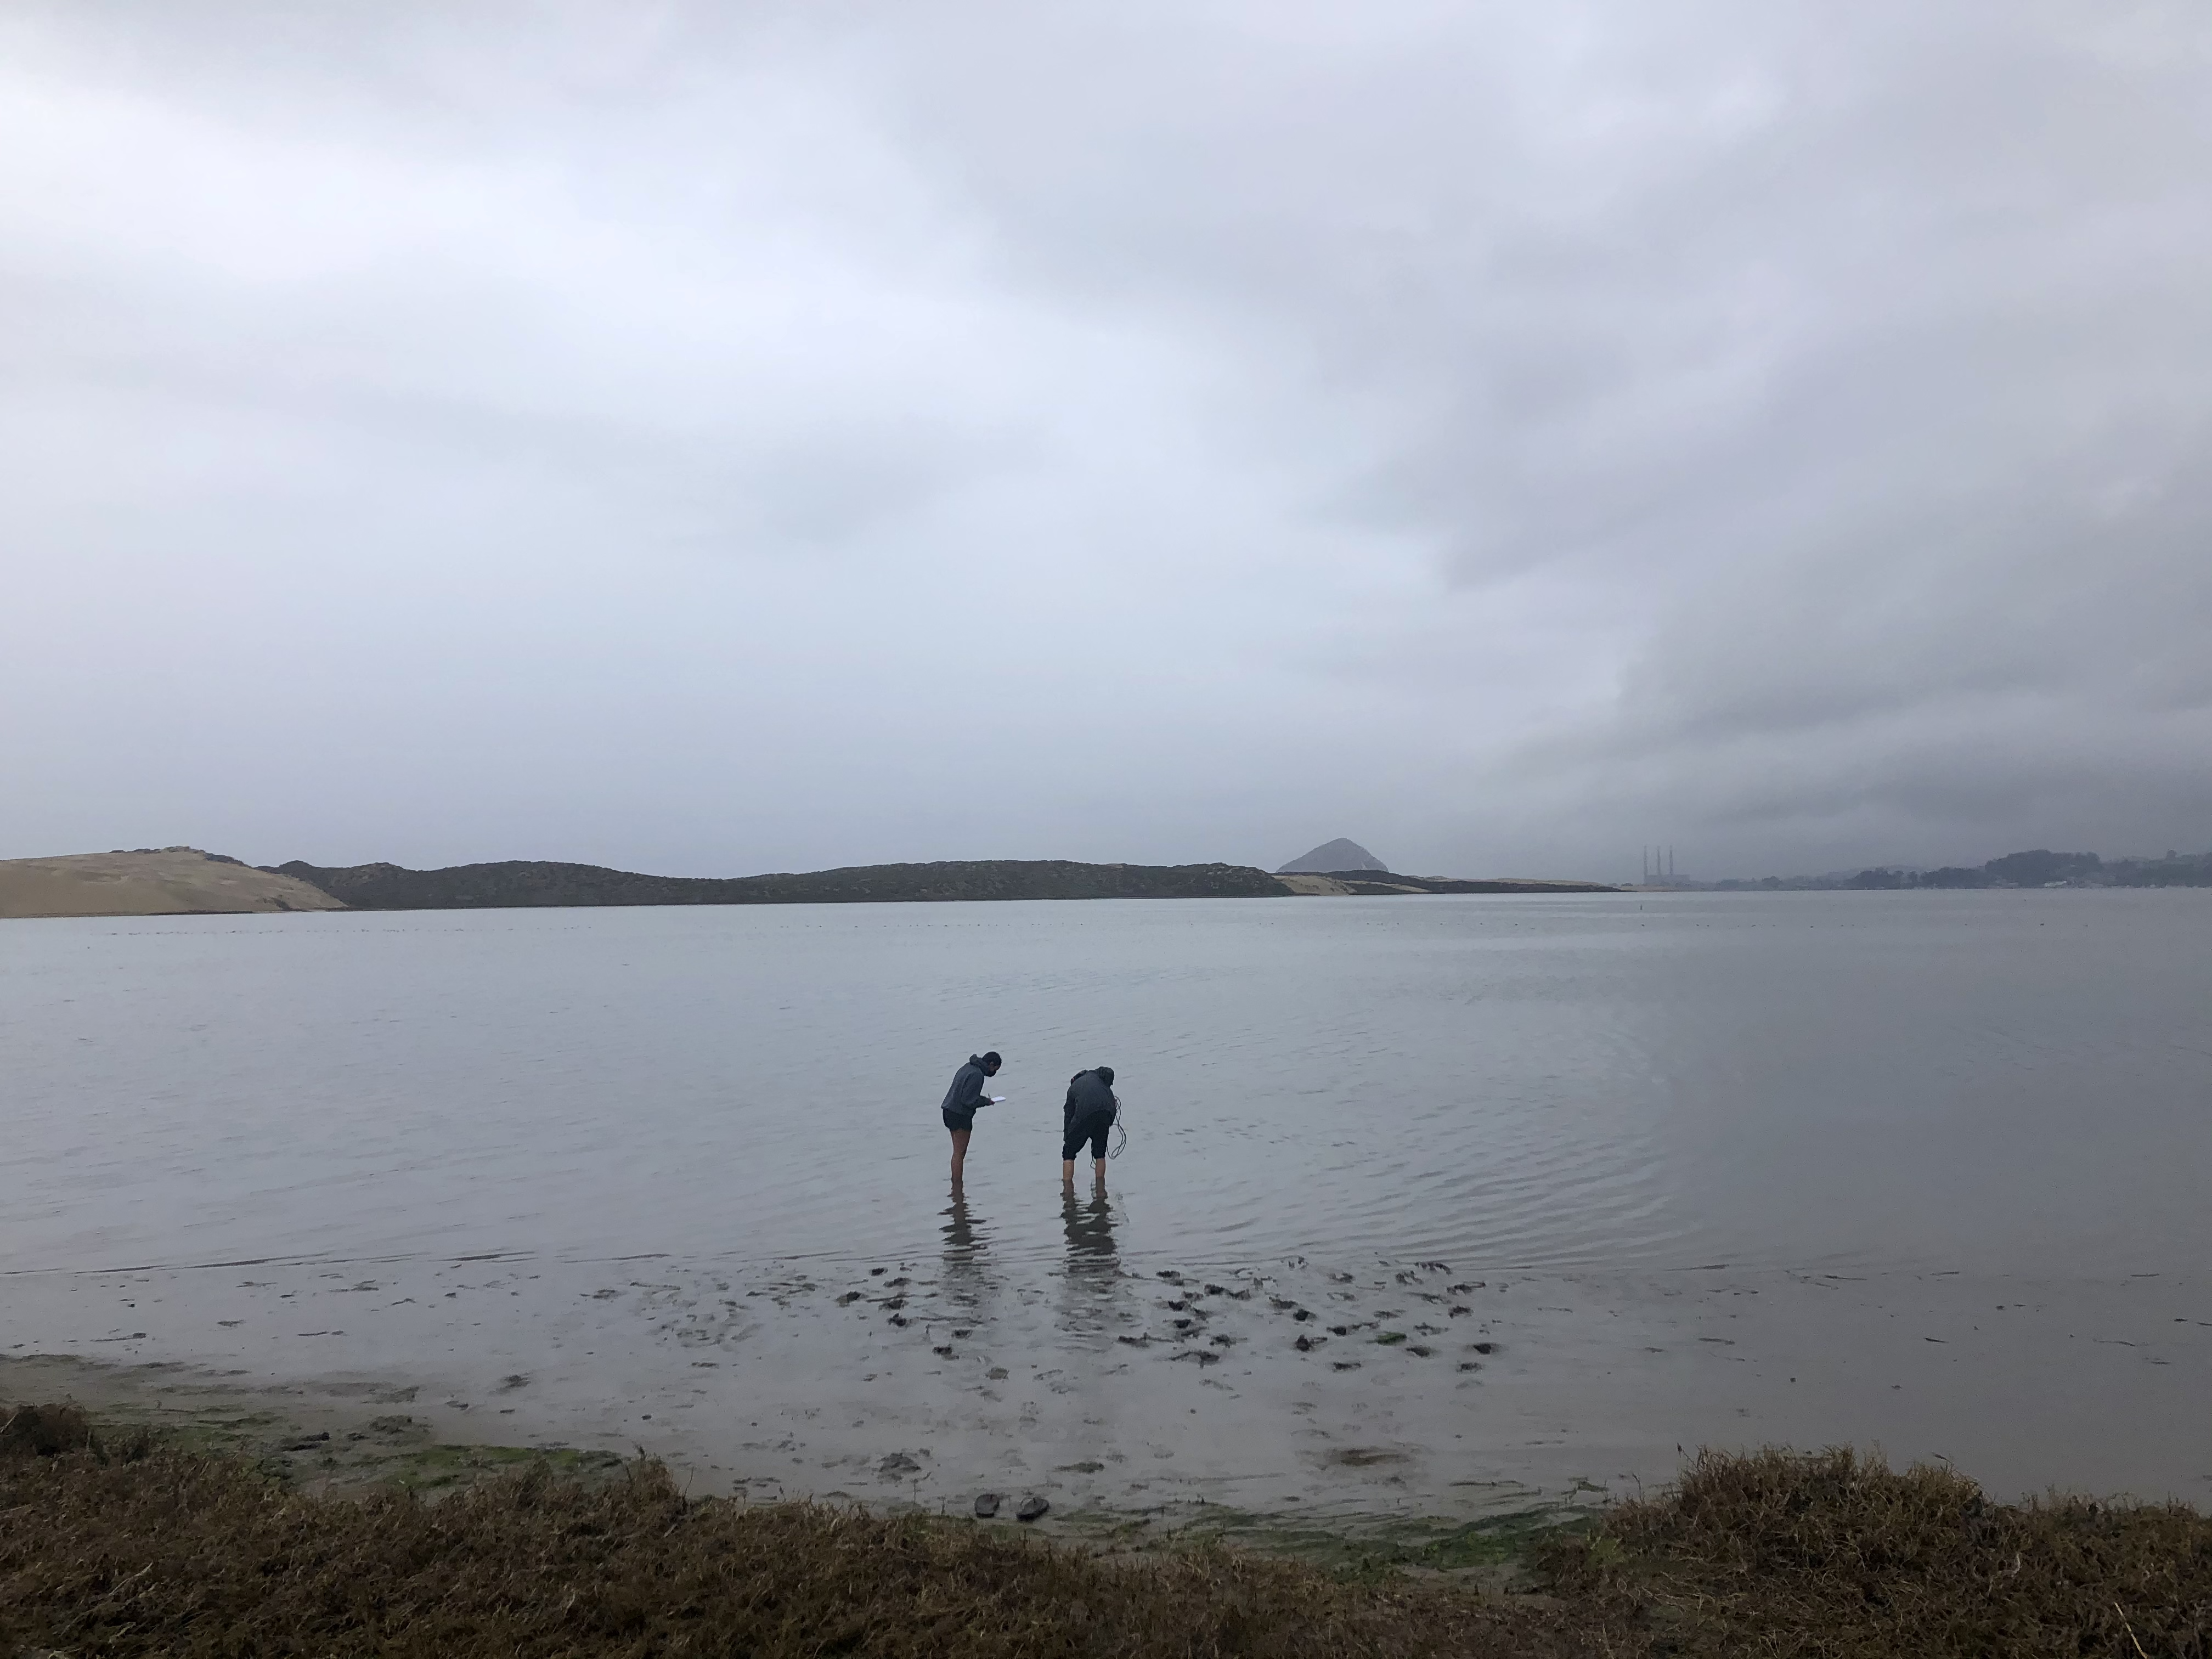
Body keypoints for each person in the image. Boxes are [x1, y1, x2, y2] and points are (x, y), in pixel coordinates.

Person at [940, 1051, 1002, 1183]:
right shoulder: (977, 1075)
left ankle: (956, 1188)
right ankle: (958, 1187)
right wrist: (986, 1101)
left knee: (956, 1153)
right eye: (995, 1070)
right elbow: (968, 1100)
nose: (994, 1073)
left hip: (948, 1110)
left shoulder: (967, 1067)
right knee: (960, 1154)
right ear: (991, 1065)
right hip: (960, 1115)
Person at [1061, 1065, 1118, 1188]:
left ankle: (1067, 1192)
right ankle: (1101, 1191)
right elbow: (1112, 1112)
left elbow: (1068, 1115)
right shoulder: (1103, 1084)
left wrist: (1068, 1139)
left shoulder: (1073, 1088)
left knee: (1068, 1153)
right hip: (1106, 1113)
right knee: (1100, 1153)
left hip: (1086, 1112)